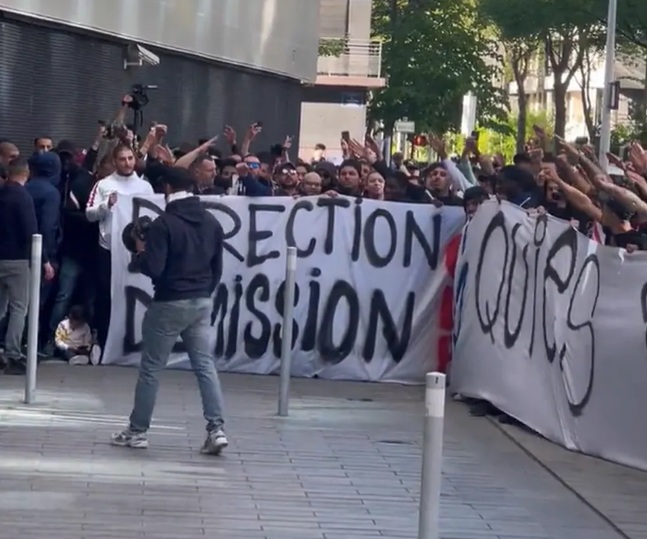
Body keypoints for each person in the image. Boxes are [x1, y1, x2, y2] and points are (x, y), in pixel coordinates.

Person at [111, 166, 228, 455]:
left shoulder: (164, 224)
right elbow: (217, 268)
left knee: (151, 368)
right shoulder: (212, 222)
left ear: (167, 189)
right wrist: (203, 291)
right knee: (205, 366)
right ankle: (216, 429)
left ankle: (138, 432)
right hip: (201, 301)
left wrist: (141, 251)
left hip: (168, 302)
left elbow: (155, 269)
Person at [86, 144, 154, 350]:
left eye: (130, 158)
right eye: (122, 159)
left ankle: (135, 339)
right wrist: (106, 206)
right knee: (106, 294)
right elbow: (89, 214)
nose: (127, 163)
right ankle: (104, 339)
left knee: (137, 293)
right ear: (115, 161)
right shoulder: (103, 185)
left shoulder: (145, 187)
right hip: (108, 249)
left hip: (137, 252)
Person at [0, 157, 38, 375]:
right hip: (17, 260)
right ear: (26, 173)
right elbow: (30, 230)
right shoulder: (23, 197)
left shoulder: (2, 193)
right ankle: (13, 353)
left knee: (1, 306)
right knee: (18, 308)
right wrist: (41, 260)